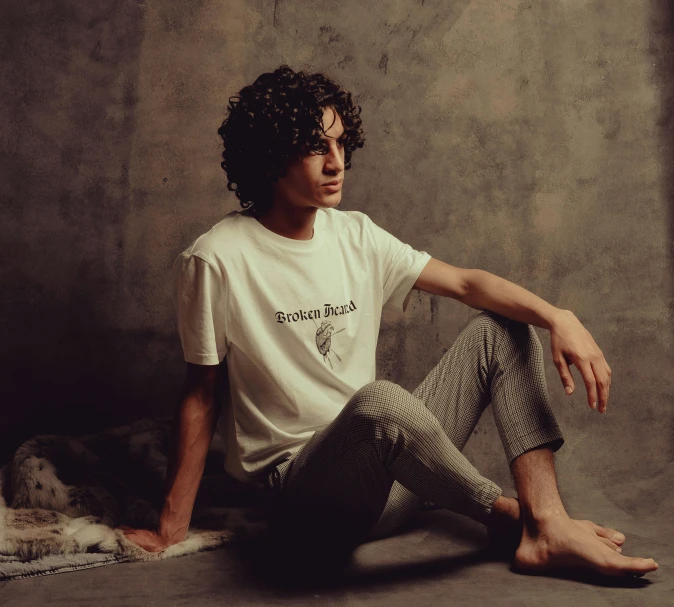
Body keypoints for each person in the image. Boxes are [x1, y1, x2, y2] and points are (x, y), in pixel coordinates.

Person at [119, 65, 658, 579]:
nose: (336, 163)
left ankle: (548, 523)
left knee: (503, 328)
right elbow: (202, 393)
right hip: (308, 499)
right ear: (270, 158)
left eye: (339, 144)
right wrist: (171, 527)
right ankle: (514, 519)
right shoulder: (216, 259)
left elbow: (468, 285)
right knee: (380, 402)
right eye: (315, 147)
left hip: (395, 480)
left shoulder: (355, 234)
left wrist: (557, 316)